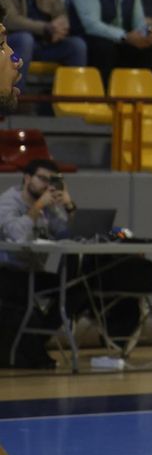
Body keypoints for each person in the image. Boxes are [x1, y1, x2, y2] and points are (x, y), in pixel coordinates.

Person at [0, 158, 74, 369]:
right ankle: (31, 347)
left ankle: (38, 339)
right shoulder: (8, 202)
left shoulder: (49, 207)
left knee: (74, 290)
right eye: (42, 179)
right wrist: (38, 206)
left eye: (52, 181)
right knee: (20, 293)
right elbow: (17, 235)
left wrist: (68, 205)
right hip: (7, 272)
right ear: (27, 178)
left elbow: (70, 234)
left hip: (33, 273)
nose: (46, 185)